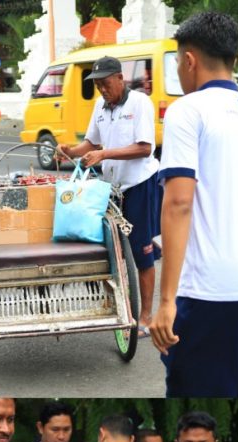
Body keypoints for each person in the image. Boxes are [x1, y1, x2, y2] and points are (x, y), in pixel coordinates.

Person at [149, 12, 238, 397]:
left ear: (190, 60)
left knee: (201, 394)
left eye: (178, 60)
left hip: (212, 288)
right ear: (234, 60)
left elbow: (178, 203)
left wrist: (165, 303)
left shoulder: (187, 110)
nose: (179, 68)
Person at [58, 56, 161, 332]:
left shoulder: (139, 103)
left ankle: (147, 316)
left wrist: (104, 153)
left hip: (139, 183)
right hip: (112, 188)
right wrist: (71, 150)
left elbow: (144, 148)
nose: (102, 89)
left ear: (119, 78)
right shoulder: (100, 107)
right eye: (98, 85)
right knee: (112, 245)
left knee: (142, 251)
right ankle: (118, 300)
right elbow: (91, 141)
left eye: (106, 83)